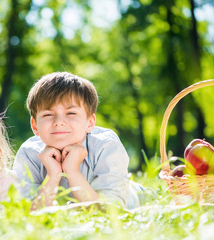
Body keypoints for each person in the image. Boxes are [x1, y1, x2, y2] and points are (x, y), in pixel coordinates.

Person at [13, 72, 150, 210]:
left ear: (90, 123)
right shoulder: (28, 154)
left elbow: (109, 212)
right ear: (34, 125)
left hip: (133, 198)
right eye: (48, 114)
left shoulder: (106, 145)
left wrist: (72, 171)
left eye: (71, 113)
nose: (59, 122)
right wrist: (52, 175)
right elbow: (30, 214)